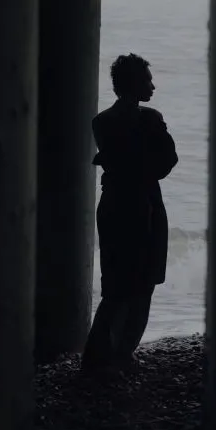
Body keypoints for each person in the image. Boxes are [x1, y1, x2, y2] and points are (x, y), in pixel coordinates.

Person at [81, 53, 178, 373]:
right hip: (143, 203)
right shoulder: (150, 118)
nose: (153, 85)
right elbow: (165, 161)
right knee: (141, 282)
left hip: (115, 203)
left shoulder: (102, 120)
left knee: (117, 283)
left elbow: (125, 161)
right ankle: (120, 353)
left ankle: (101, 356)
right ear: (134, 83)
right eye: (147, 80)